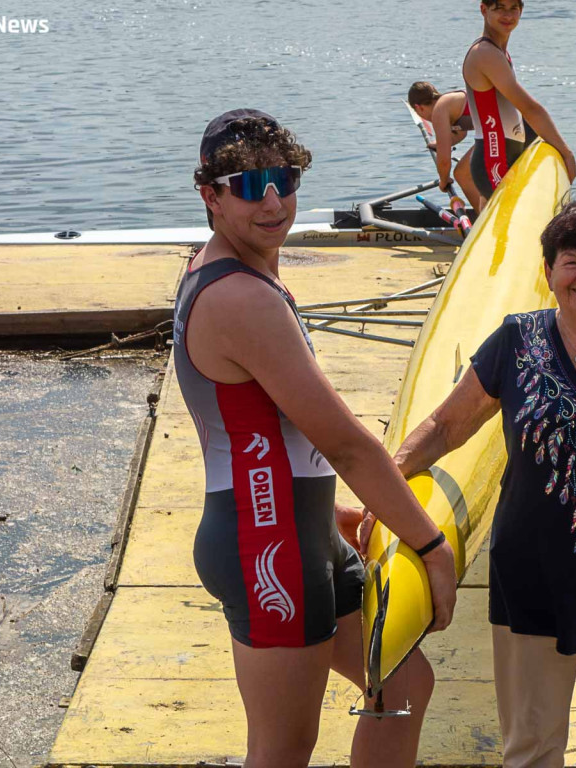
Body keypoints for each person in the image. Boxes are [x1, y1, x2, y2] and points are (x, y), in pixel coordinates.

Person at [363, 200, 576, 768]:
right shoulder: (517, 341)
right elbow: (447, 426)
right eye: (571, 262)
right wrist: (388, 488)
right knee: (528, 751)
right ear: (548, 273)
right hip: (531, 578)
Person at [177, 109, 457, 768]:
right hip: (266, 545)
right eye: (248, 186)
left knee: (405, 685)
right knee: (282, 751)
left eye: (285, 179)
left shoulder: (243, 269)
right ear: (210, 195)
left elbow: (251, 422)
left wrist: (320, 508)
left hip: (296, 528)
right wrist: (431, 544)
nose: (273, 202)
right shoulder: (238, 297)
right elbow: (347, 442)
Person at [463, 0, 576, 211]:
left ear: (521, 11)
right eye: (499, 8)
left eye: (513, 8)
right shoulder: (485, 53)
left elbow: (512, 115)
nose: (508, 15)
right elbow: (530, 109)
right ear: (483, 9)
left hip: (500, 156)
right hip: (494, 160)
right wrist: (566, 153)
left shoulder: (499, 52)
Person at [407, 81, 483, 213]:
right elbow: (460, 134)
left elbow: (444, 161)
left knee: (462, 174)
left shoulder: (439, 110)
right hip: (505, 127)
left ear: (419, 108)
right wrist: (440, 144)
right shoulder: (448, 104)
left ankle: (486, 222)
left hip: (505, 129)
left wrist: (444, 180)